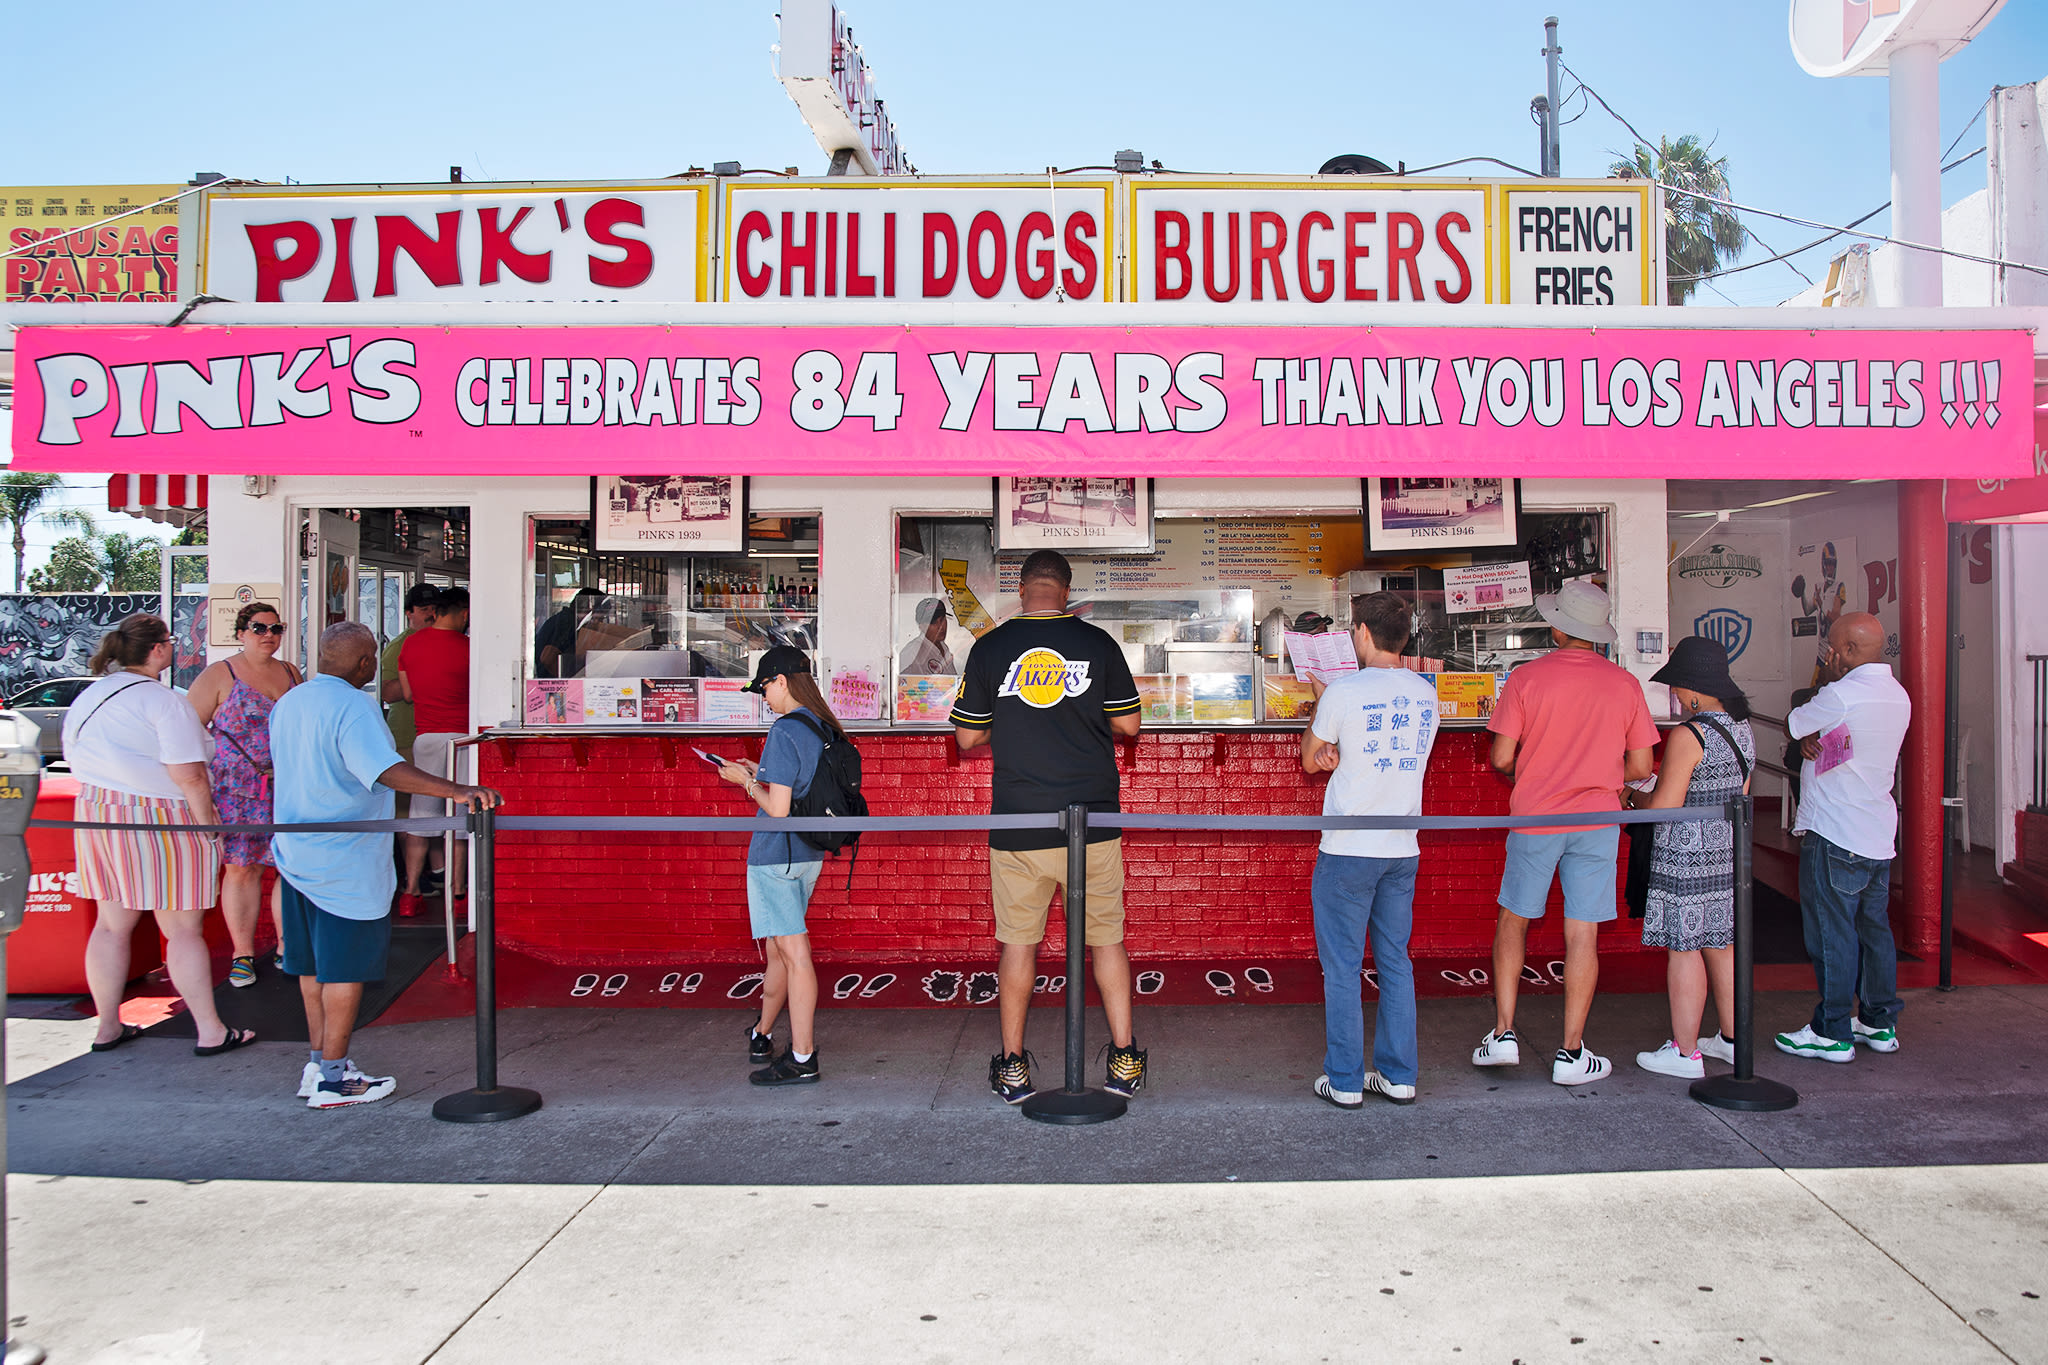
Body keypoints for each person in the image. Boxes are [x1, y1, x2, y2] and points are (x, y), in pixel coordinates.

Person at [270, 623, 504, 1108]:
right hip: (344, 860)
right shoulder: (354, 705)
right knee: (344, 969)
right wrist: (457, 790)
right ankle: (334, 1079)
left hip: (295, 854)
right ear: (363, 663)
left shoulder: (291, 701)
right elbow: (382, 768)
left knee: (311, 968)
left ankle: (319, 1065)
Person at [952, 549, 1145, 1104]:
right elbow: (1129, 725)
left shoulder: (989, 648)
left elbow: (967, 737)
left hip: (1020, 820)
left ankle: (1013, 1067)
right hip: (1095, 823)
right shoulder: (1098, 644)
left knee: (1018, 946)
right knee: (1106, 941)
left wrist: (1009, 725)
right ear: (1066, 590)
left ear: (1020, 589)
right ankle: (1126, 1061)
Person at [1478, 580, 1657, 1085]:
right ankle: (1572, 1054)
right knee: (1583, 933)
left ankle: (1504, 1034)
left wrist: (1536, 771)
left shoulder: (1526, 679)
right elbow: (1642, 763)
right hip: (1597, 821)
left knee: (1514, 920)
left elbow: (1501, 757)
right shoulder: (1624, 684)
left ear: (1558, 628)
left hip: (1535, 817)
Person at [63, 614, 255, 1058]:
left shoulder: (91, 695)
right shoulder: (163, 701)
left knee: (111, 925)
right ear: (158, 650)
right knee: (183, 929)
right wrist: (210, 828)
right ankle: (210, 1030)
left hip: (97, 811)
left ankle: (108, 1025)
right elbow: (190, 776)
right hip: (160, 815)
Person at [1300, 592, 1439, 1108]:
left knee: (1341, 967)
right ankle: (1399, 1076)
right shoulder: (1426, 695)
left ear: (1360, 632)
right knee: (1395, 962)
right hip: (1403, 848)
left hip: (1348, 850)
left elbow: (1311, 761)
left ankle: (1344, 1080)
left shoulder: (1342, 691)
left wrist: (1322, 705)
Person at [1774, 611, 1911, 1063]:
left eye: (1832, 647)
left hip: (1835, 832)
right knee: (1875, 930)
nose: (1827, 654)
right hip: (1876, 831)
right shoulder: (1897, 695)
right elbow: (1840, 737)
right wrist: (1819, 736)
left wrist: (1827, 685)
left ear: (1848, 652)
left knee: (1831, 934)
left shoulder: (1840, 692)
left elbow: (1795, 722)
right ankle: (1878, 1021)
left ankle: (1832, 1031)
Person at [1626, 636, 1756, 1080]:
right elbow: (1738, 795)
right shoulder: (1742, 730)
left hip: (1686, 855)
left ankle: (1685, 1054)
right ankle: (1733, 1040)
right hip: (1726, 852)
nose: (1677, 696)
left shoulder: (1690, 734)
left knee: (1684, 949)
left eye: (1679, 687)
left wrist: (1630, 800)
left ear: (1696, 689)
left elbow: (1665, 806)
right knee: (1721, 944)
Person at [715, 645, 841, 1086]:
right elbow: (799, 788)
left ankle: (803, 1057)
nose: (763, 696)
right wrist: (762, 772)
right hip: (808, 856)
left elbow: (779, 810)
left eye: (765, 687)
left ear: (782, 682)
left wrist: (746, 781)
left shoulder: (785, 729)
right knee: (779, 953)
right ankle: (762, 1033)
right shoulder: (821, 725)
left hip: (776, 856)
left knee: (794, 954)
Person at [187, 602, 302, 989]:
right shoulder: (219, 674)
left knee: (288, 865)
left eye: (276, 628)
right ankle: (242, 953)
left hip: (285, 784)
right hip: (235, 787)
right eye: (258, 627)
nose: (268, 634)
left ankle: (288, 946)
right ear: (241, 633)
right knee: (241, 868)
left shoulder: (290, 672)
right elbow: (187, 732)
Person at [398, 584, 471, 914]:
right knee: (459, 816)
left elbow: (408, 694)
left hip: (426, 736)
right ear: (464, 613)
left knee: (420, 818)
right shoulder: (471, 648)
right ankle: (457, 894)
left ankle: (410, 893)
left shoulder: (409, 645)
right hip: (464, 740)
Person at [381, 583, 442, 766]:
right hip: (408, 738)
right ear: (409, 613)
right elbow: (388, 693)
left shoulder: (445, 640)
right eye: (424, 609)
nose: (431, 614)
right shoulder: (398, 646)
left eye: (435, 609)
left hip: (438, 735)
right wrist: (426, 674)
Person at [535, 587, 606, 680]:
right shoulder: (566, 623)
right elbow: (548, 658)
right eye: (599, 618)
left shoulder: (568, 620)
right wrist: (569, 680)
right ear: (588, 611)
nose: (598, 622)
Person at [898, 597, 957, 675]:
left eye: (942, 620)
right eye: (934, 622)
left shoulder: (944, 648)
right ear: (921, 626)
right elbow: (897, 681)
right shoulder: (913, 651)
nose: (941, 626)